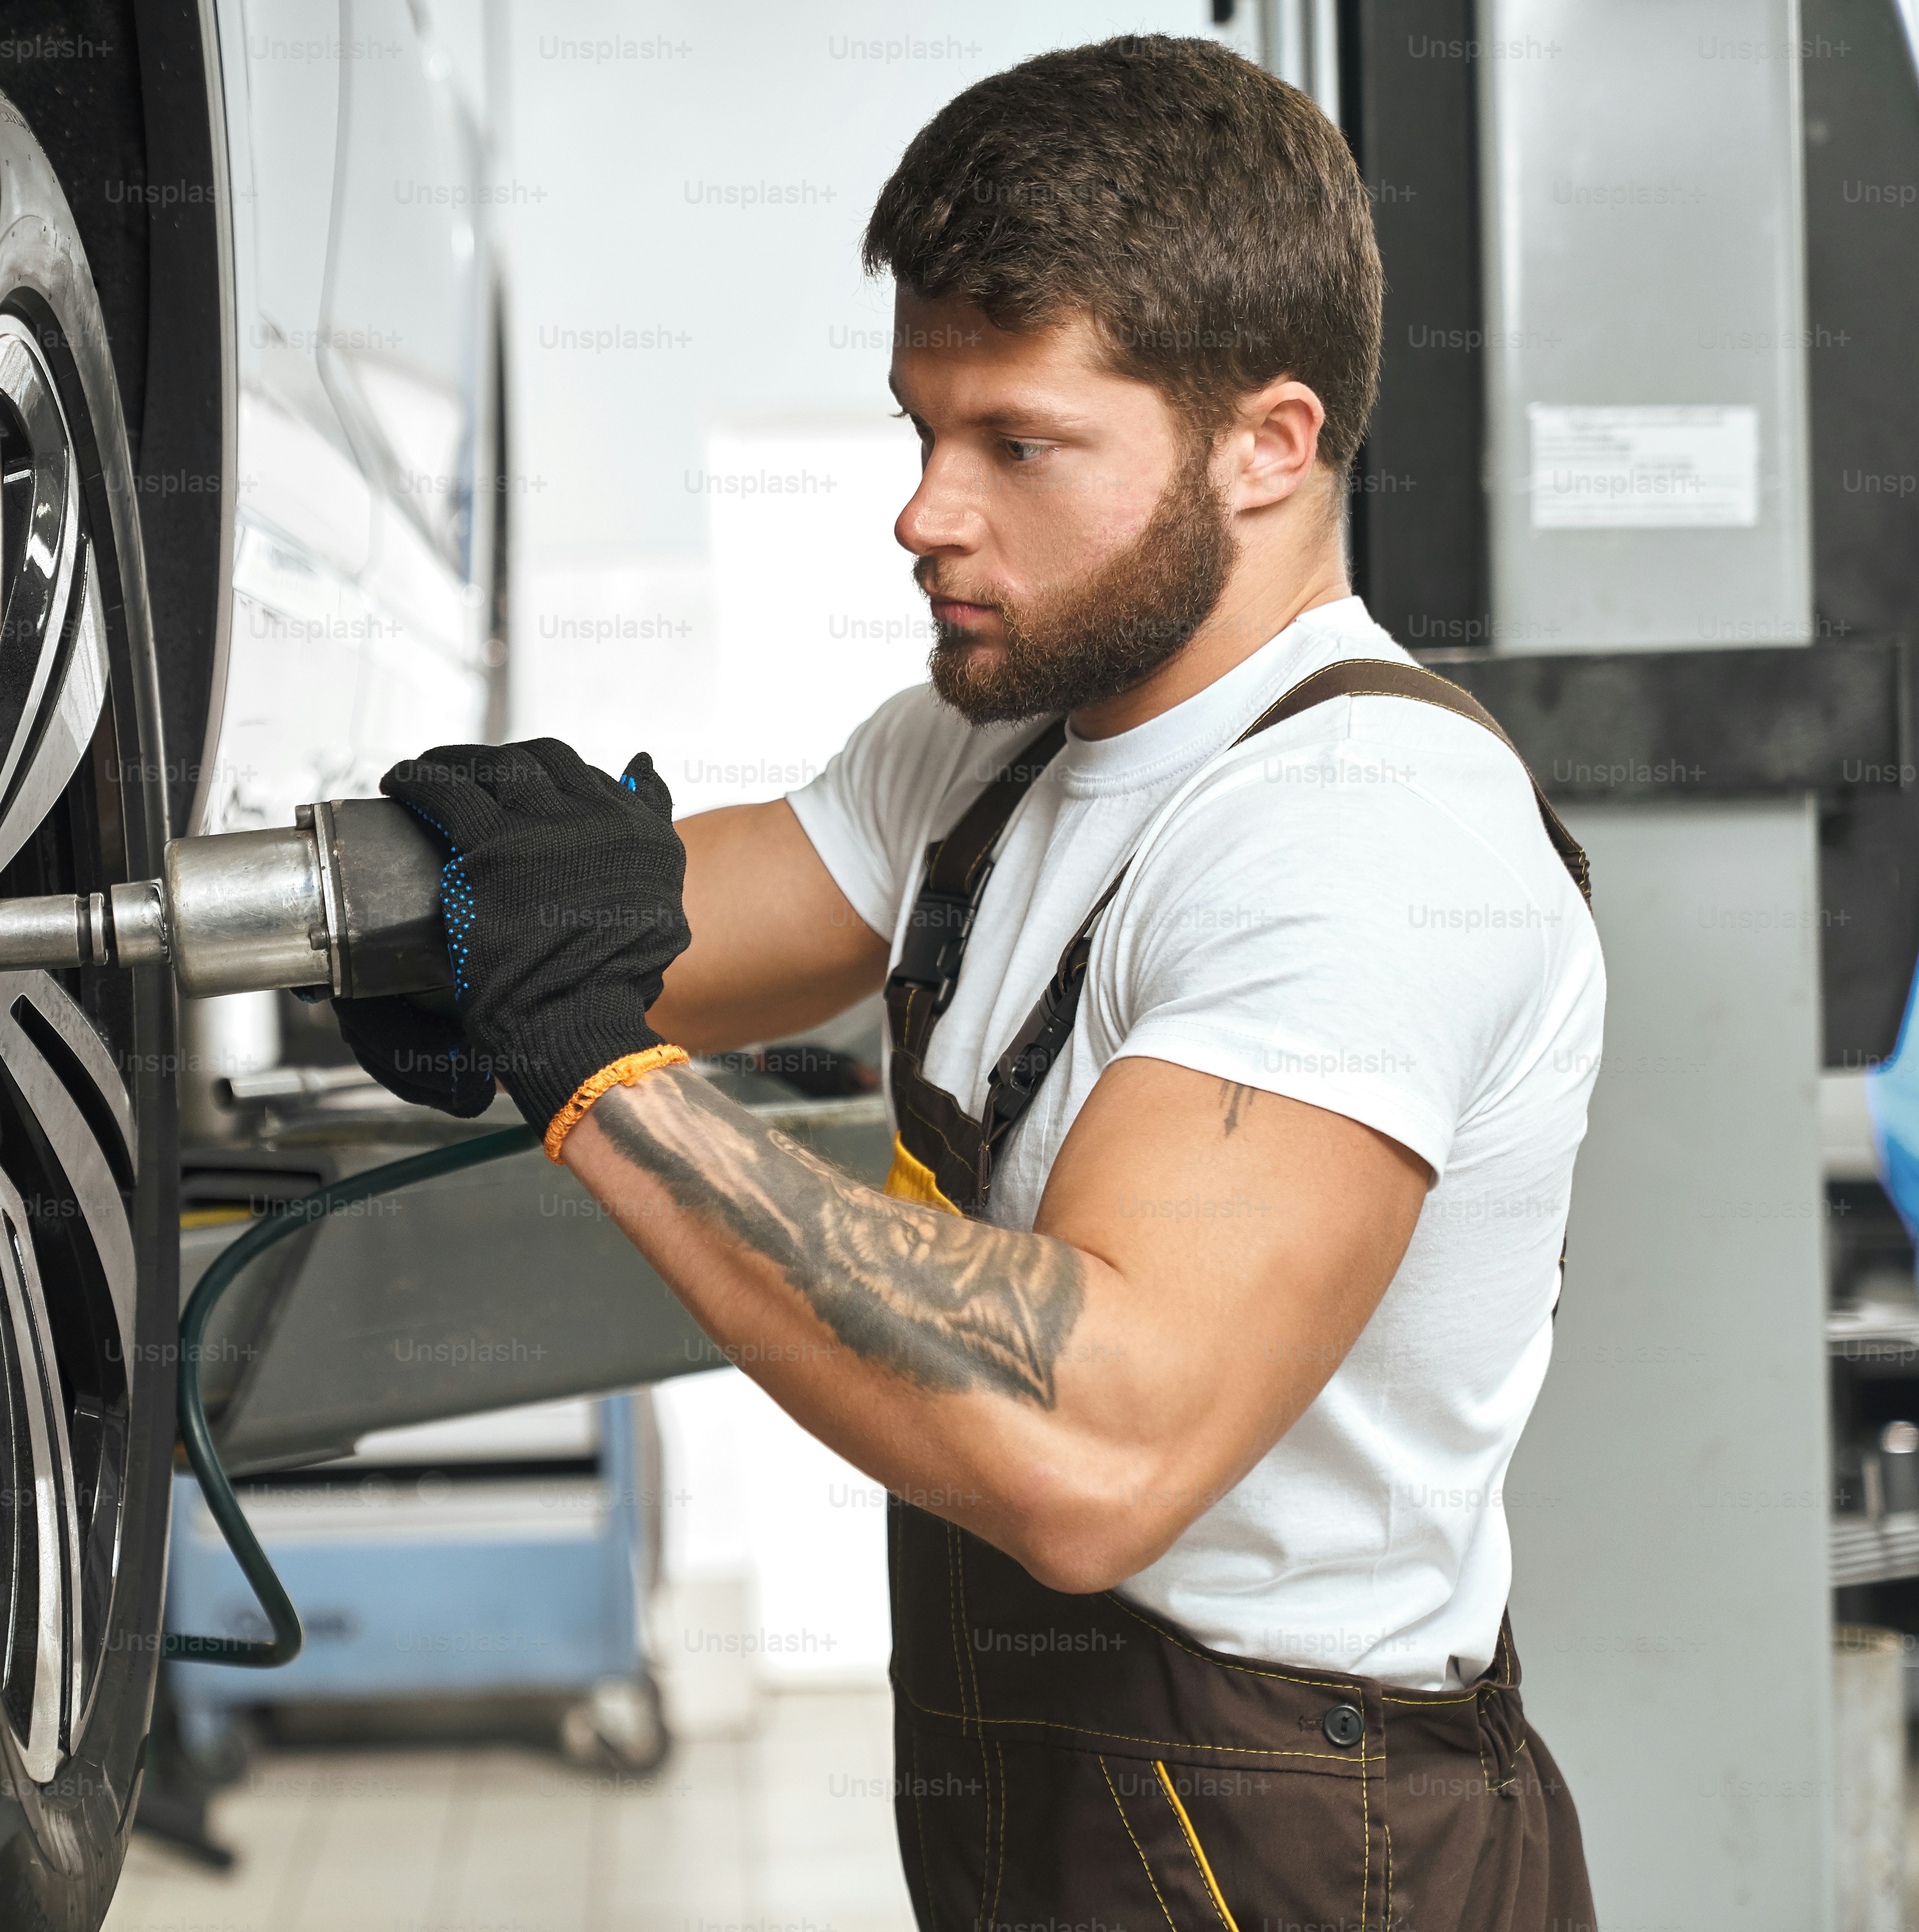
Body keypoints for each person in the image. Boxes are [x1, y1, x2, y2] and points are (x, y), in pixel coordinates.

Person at [338, 34, 1603, 1930]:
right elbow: (666, 926)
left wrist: (600, 1076)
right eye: (918, 427)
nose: (924, 511)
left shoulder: (1364, 835)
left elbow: (1088, 1446)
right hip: (1059, 1797)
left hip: (1297, 1849)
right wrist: (397, 901)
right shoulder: (995, 743)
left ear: (1268, 443)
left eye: (1015, 443)